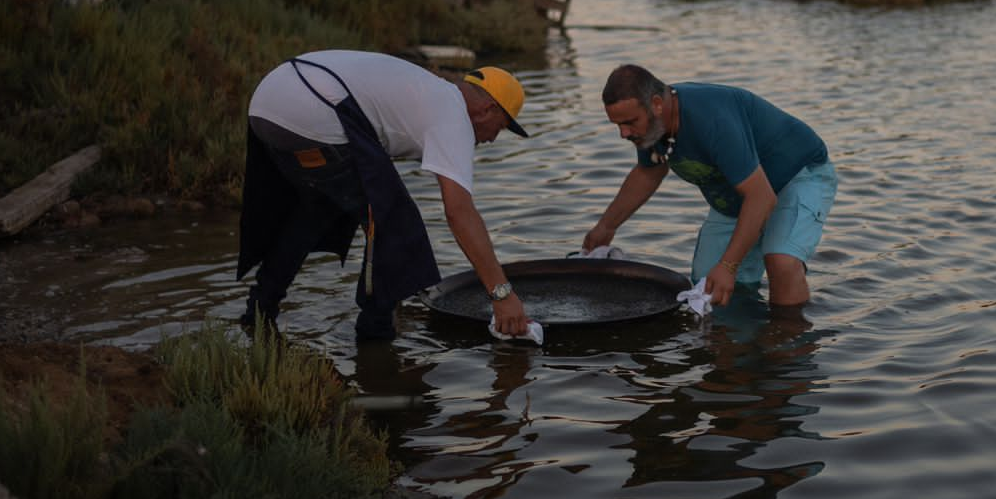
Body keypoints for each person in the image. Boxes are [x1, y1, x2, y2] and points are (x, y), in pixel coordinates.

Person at [237, 50, 536, 341]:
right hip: (313, 110)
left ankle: (259, 313)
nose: (493, 138)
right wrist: (502, 294)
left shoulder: (428, 92)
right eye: (501, 127)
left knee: (319, 210)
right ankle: (376, 336)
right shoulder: (453, 115)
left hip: (268, 102)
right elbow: (459, 212)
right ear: (488, 110)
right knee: (395, 221)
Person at [583, 64, 836, 308]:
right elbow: (648, 173)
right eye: (618, 125)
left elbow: (761, 198)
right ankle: (740, 343)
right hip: (737, 194)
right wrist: (606, 226)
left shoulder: (712, 120)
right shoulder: (651, 127)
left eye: (629, 122)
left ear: (657, 105)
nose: (623, 134)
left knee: (781, 261)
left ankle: (788, 344)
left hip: (797, 176)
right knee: (708, 286)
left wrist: (728, 266)